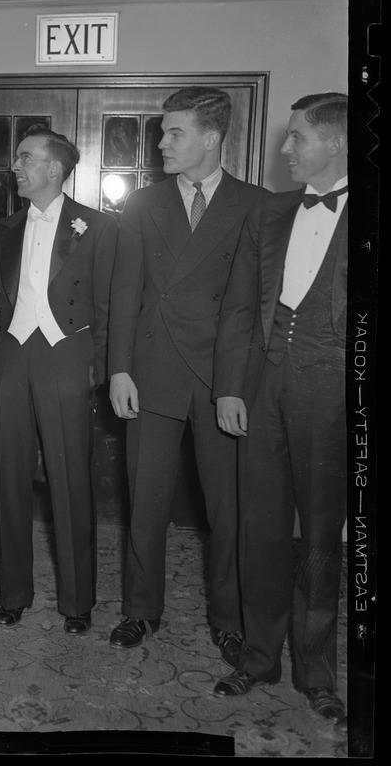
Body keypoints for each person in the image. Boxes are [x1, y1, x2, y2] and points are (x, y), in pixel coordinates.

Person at [107, 87, 269, 663]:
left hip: (219, 380)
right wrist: (120, 369)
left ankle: (228, 618)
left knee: (226, 508)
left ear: (211, 138)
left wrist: (232, 387)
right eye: (162, 131)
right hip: (150, 371)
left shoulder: (256, 205)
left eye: (174, 133)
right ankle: (139, 610)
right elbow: (125, 292)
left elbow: (248, 308)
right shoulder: (143, 204)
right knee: (144, 501)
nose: (161, 143)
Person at [211, 93, 348, 735]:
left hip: (331, 392)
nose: (286, 149)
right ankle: (258, 659)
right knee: (259, 527)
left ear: (337, 143)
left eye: (297, 138)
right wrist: (230, 388)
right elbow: (239, 307)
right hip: (261, 385)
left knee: (320, 537)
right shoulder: (269, 213)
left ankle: (318, 676)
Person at [0, 126, 117, 633]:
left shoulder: (97, 227)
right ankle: (14, 594)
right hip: (13, 359)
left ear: (56, 169)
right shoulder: (3, 229)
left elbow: (107, 307)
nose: (15, 166)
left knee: (70, 481)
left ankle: (78, 602)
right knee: (10, 481)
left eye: (26, 158)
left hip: (67, 358)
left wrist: (97, 370)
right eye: (17, 158)